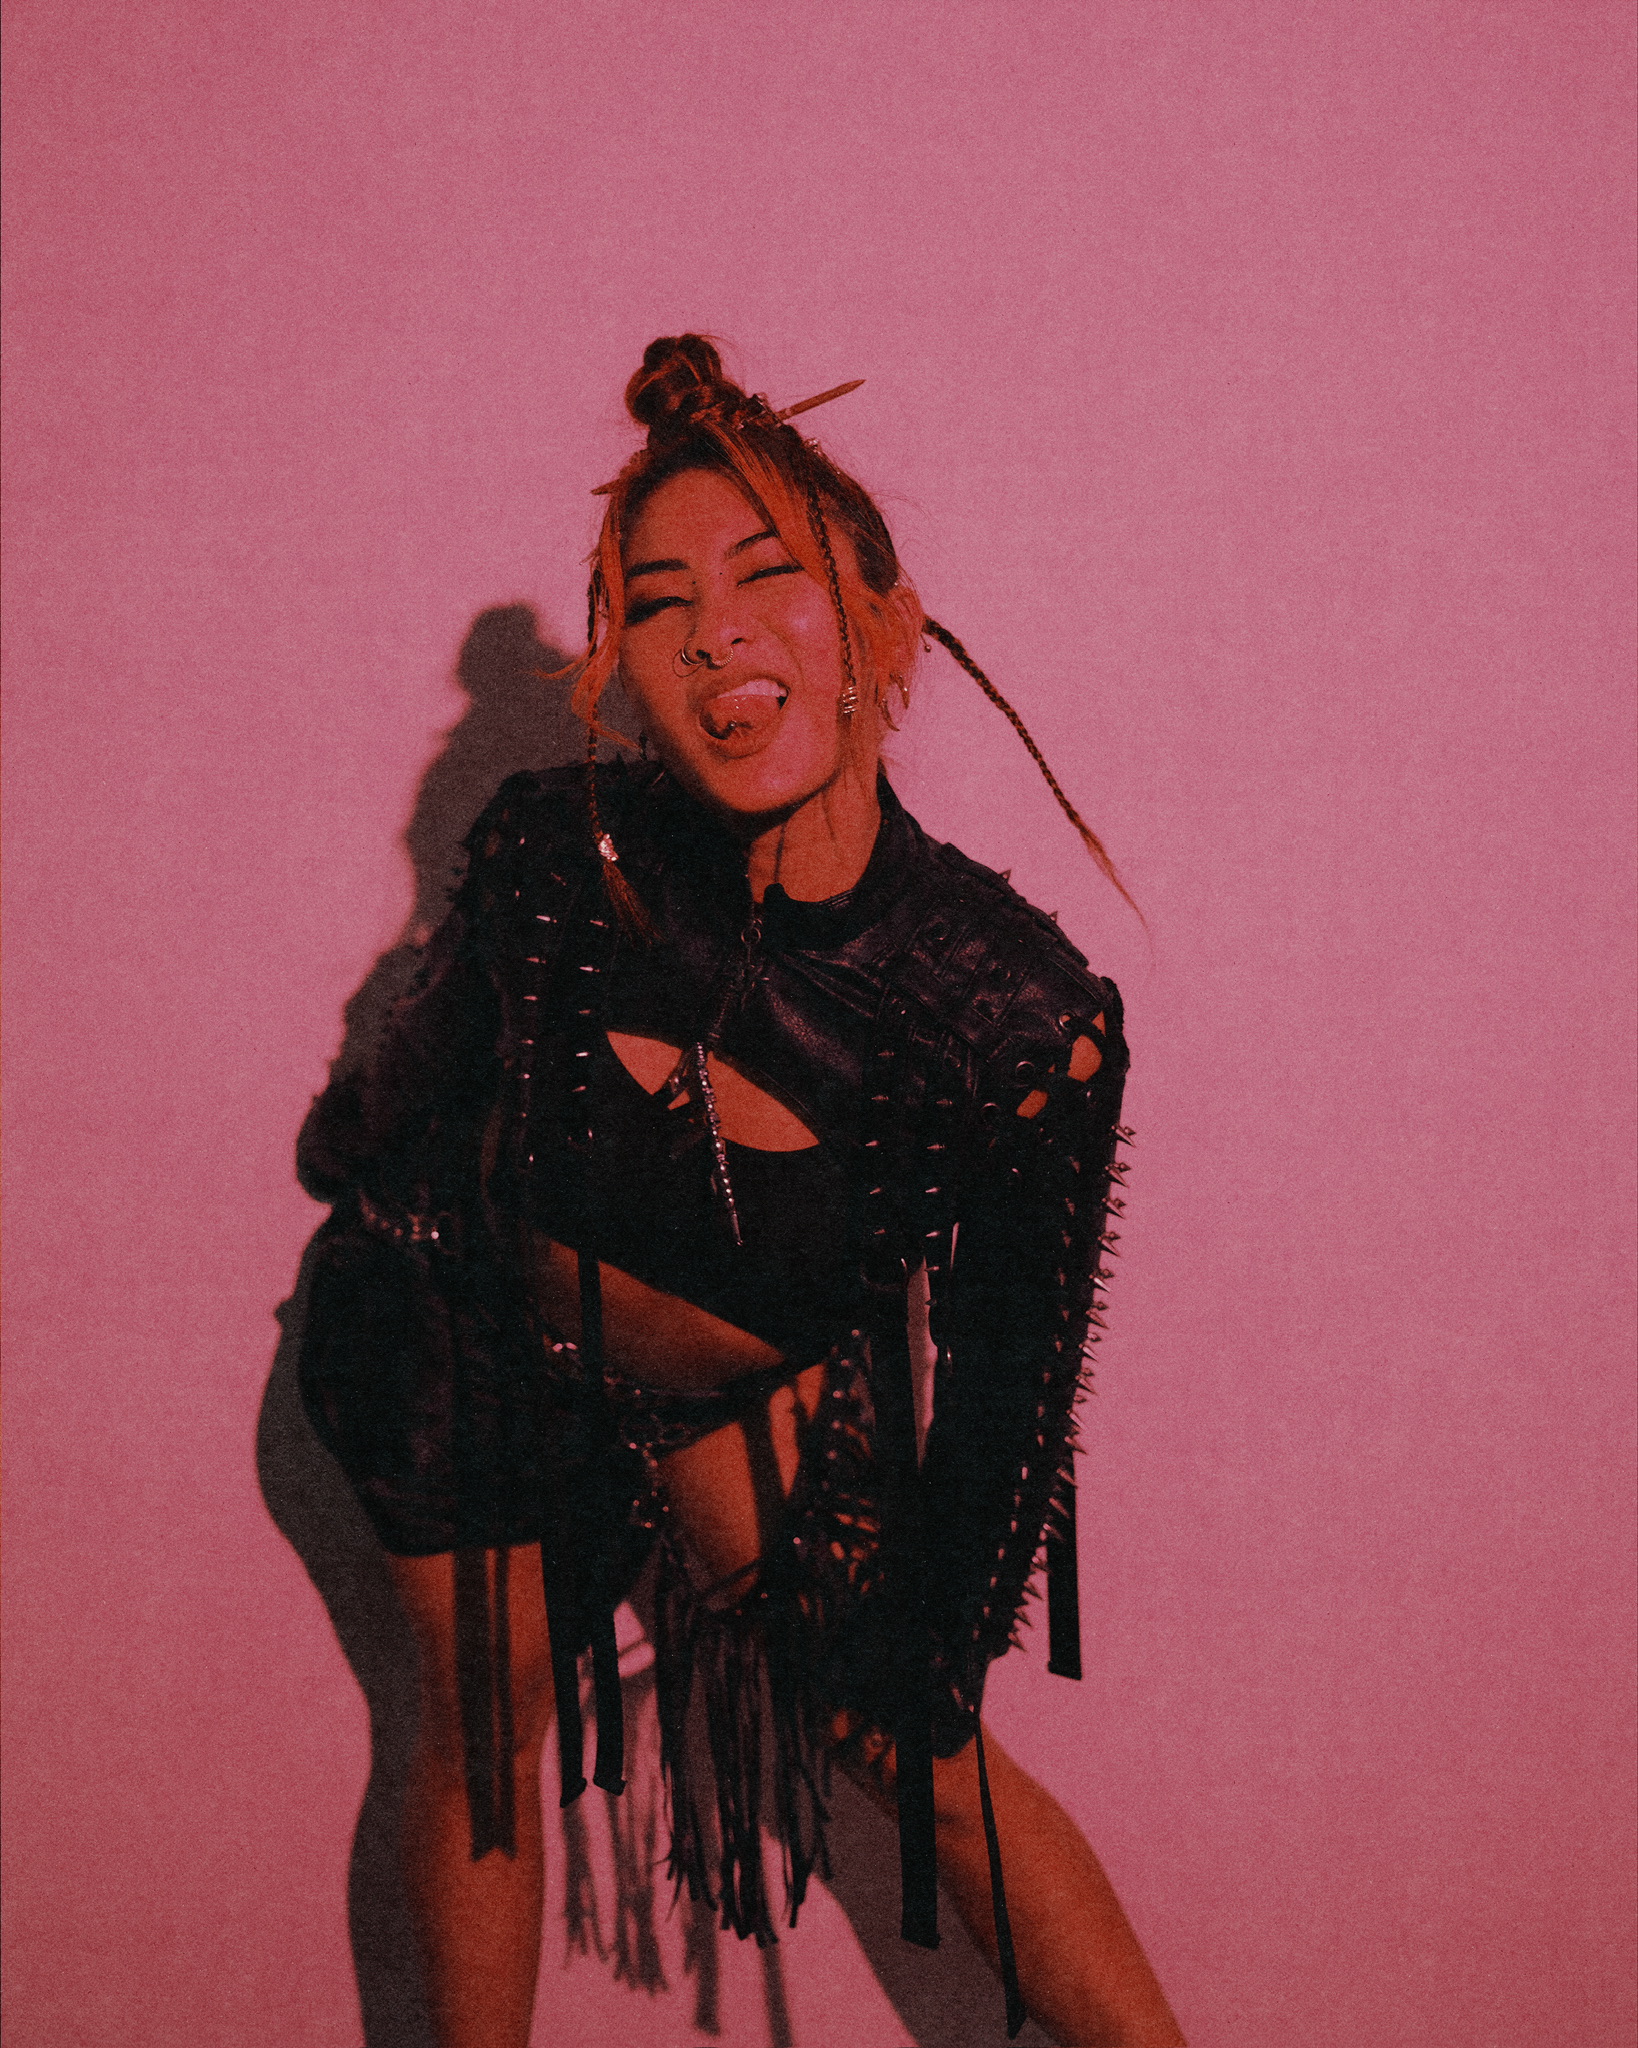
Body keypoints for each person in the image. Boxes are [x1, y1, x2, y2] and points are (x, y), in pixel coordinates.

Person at [297, 335, 1184, 2048]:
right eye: (659, 601)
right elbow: (381, 1119)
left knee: (918, 1755)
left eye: (767, 576)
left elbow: (1006, 1406)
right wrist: (371, 1208)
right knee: (483, 1719)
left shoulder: (1014, 1014)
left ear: (884, 630)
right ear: (625, 665)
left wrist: (920, 1649)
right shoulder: (553, 851)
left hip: (723, 1390)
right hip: (460, 1332)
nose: (714, 631)